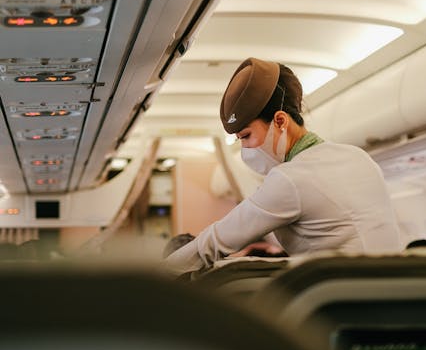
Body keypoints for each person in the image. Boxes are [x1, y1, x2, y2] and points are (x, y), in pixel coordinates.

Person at [164, 57, 403, 275]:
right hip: (393, 296)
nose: (245, 148)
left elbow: (214, 242)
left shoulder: (291, 178)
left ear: (280, 120)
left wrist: (159, 277)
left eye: (246, 136)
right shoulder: (357, 156)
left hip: (343, 307)